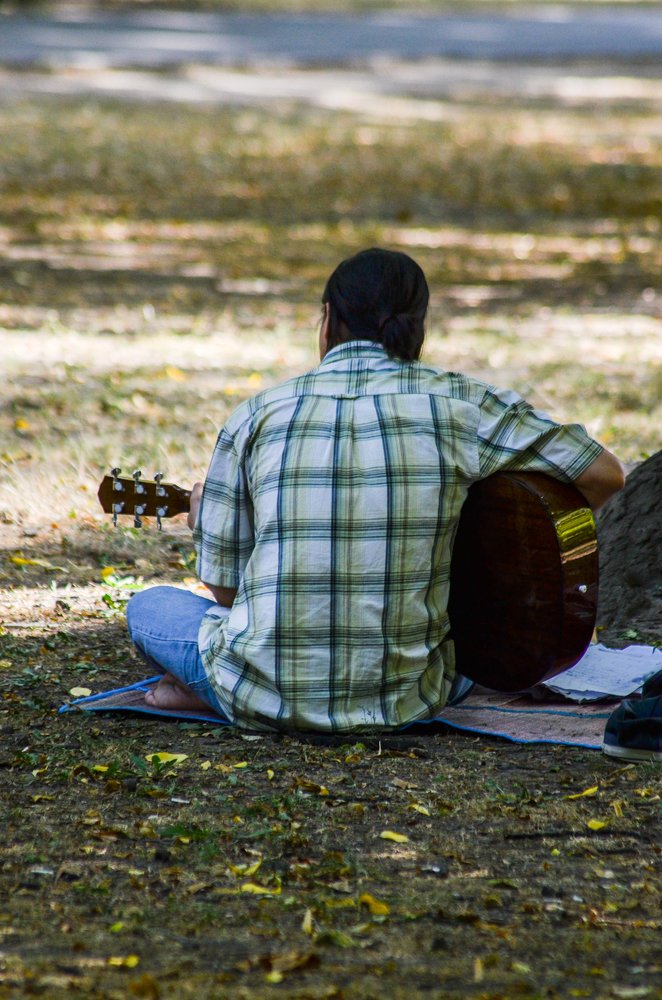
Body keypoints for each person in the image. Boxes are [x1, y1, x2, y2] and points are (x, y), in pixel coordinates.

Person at [126, 248, 624, 732]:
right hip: (412, 696)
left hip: (260, 692)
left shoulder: (259, 413)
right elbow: (604, 474)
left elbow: (228, 592)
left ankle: (208, 689)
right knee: (468, 650)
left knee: (150, 608)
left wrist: (209, 520)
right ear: (418, 324)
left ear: (327, 319)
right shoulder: (465, 403)